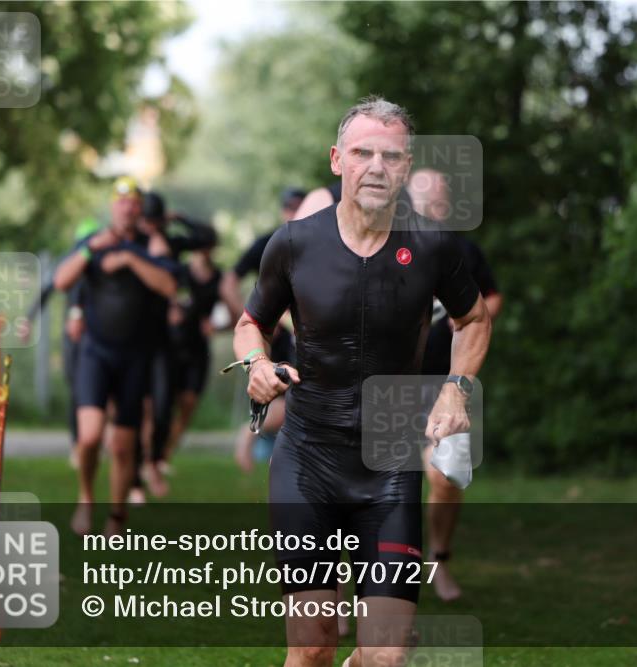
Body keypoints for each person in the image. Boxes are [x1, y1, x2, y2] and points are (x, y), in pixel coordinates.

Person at [233, 96, 492, 667]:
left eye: (391, 156)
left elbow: (473, 318)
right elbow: (252, 322)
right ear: (336, 161)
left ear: (406, 167)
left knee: (385, 656)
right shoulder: (295, 243)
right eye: (362, 152)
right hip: (308, 463)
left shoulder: (432, 244)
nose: (376, 166)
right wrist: (256, 364)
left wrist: (456, 387)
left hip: (390, 467)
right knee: (313, 648)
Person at [53, 176, 178, 536]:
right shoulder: (92, 243)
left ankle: (117, 516)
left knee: (124, 446)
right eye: (121, 202)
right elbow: (62, 280)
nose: (127, 207)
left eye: (133, 202)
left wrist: (127, 257)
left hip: (134, 355)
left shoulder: (149, 246)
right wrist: (93, 250)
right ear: (112, 206)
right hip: (95, 351)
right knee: (90, 436)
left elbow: (170, 285)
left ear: (139, 209)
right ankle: (87, 498)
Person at [408, 168, 503, 602]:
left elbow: (492, 296)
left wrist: (469, 312)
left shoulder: (463, 250)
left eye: (437, 195)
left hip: (445, 387)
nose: (431, 203)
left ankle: (439, 561)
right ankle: (350, 586)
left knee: (446, 477)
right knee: (368, 485)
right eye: (422, 195)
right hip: (386, 387)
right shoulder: (385, 247)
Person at [130, 192, 218, 502]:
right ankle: (135, 479)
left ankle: (153, 463)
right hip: (136, 336)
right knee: (141, 410)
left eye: (156, 221)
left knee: (163, 404)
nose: (151, 227)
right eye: (147, 221)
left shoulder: (172, 240)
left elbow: (208, 236)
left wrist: (179, 219)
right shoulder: (133, 242)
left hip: (165, 339)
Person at [221, 187, 305, 472]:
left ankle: (263, 445)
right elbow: (229, 281)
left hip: (304, 330)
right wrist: (244, 320)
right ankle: (249, 436)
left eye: (299, 207)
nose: (294, 213)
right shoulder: (271, 242)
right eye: (290, 208)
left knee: (298, 396)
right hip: (280, 332)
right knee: (289, 392)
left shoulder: (317, 242)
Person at [20, 218, 102, 463]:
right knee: (78, 390)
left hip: (99, 337)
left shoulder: (103, 263)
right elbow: (47, 288)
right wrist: (29, 319)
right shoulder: (70, 261)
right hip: (74, 338)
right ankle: (77, 445)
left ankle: (94, 440)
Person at [164, 246, 223, 463]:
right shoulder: (179, 272)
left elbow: (239, 314)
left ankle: (165, 454)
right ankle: (154, 454)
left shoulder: (219, 278)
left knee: (188, 403)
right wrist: (169, 311)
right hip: (172, 348)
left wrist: (218, 326)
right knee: (163, 406)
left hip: (198, 351)